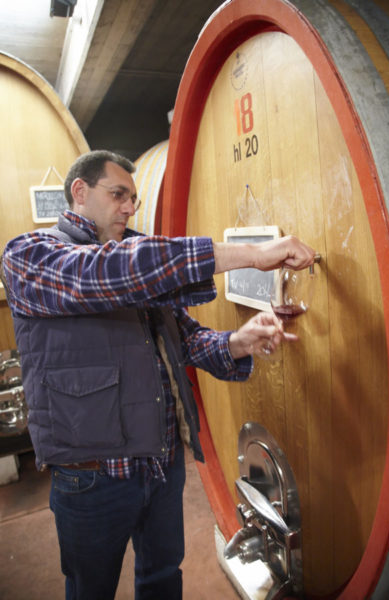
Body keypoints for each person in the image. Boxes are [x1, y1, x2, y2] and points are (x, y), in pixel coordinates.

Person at [1, 150, 315, 600]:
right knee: (92, 590)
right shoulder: (30, 256)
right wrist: (253, 254)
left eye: (134, 199)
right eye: (118, 195)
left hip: (161, 465)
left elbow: (183, 339)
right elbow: (109, 274)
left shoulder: (135, 259)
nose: (130, 207)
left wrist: (237, 342)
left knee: (163, 576)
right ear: (79, 192)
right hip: (94, 476)